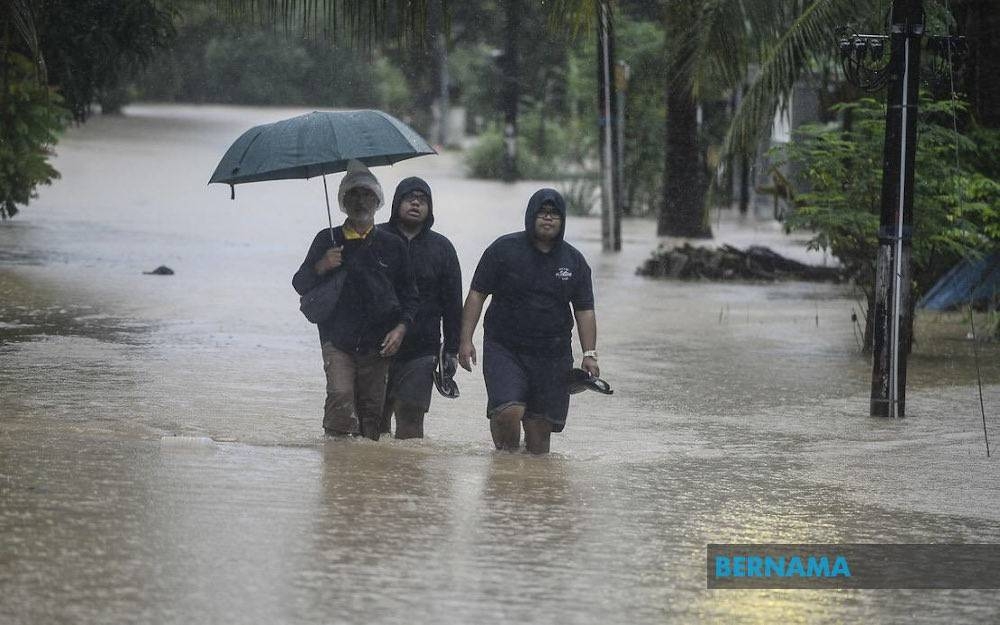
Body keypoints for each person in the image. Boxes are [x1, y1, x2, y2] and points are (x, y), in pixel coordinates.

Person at [458, 188, 599, 454]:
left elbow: (585, 310)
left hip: (552, 355)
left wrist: (589, 354)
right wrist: (465, 340)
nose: (548, 219)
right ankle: (503, 464)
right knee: (509, 411)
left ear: (563, 220)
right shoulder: (503, 250)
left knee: (539, 443)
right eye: (543, 213)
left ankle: (528, 488)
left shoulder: (574, 262)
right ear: (531, 216)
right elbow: (477, 294)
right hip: (505, 347)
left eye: (555, 214)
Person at [292, 160, 419, 440]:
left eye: (367, 195)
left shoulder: (393, 244)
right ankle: (335, 468)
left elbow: (410, 297)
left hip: (379, 345)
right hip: (337, 341)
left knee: (371, 415)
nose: (361, 201)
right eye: (354, 195)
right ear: (343, 202)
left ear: (378, 201)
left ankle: (361, 477)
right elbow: (299, 283)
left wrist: (400, 329)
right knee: (340, 397)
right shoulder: (328, 239)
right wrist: (322, 265)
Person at [376, 177, 462, 439]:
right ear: (395, 204)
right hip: (374, 346)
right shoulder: (375, 239)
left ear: (430, 208)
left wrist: (451, 349)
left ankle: (408, 478)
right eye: (409, 198)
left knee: (411, 423)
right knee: (374, 426)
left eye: (422, 199)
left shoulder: (442, 248)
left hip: (422, 348)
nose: (416, 203)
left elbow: (453, 303)